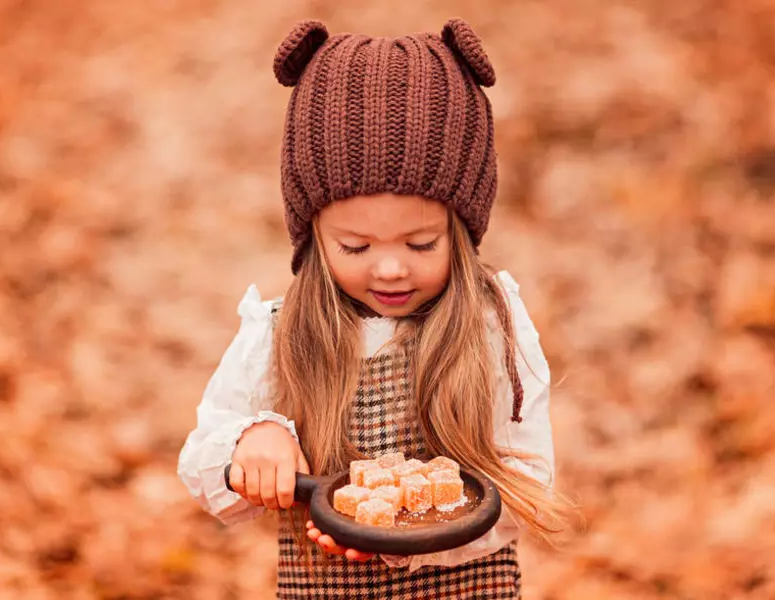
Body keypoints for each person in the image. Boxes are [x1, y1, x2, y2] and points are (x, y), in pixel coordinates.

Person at [177, 17, 572, 599]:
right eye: (355, 247)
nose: (389, 268)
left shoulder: (491, 327)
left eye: (421, 244)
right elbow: (203, 468)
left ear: (462, 231)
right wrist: (251, 441)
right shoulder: (279, 334)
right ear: (312, 234)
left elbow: (526, 477)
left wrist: (414, 535)